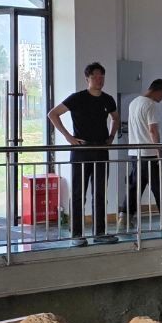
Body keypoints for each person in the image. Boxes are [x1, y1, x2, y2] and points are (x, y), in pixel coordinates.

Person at [48, 62, 120, 247]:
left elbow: (116, 118)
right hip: (81, 151)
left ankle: (100, 232)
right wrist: (68, 137)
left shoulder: (108, 99)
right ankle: (77, 233)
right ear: (87, 78)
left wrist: (111, 136)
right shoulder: (77, 98)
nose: (99, 80)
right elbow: (53, 114)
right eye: (95, 76)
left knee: (100, 192)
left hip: (101, 150)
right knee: (79, 193)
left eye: (101, 76)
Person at [122, 78, 162, 230]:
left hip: (135, 153)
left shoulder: (134, 102)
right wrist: (159, 152)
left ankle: (124, 218)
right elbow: (153, 130)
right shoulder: (150, 105)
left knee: (135, 187)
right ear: (159, 90)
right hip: (149, 154)